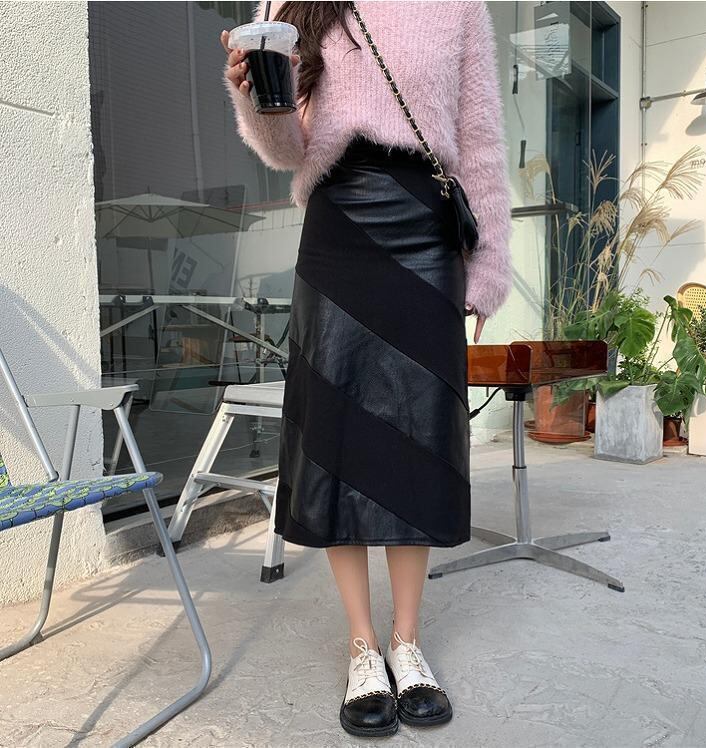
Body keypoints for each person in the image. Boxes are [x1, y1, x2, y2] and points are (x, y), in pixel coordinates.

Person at [222, 0, 511, 737]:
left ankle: (407, 643)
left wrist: (487, 268)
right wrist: (256, 97)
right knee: (339, 436)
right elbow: (286, 150)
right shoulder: (291, 2)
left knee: (416, 434)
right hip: (337, 229)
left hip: (425, 231)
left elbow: (479, 141)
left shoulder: (457, 5)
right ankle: (362, 645)